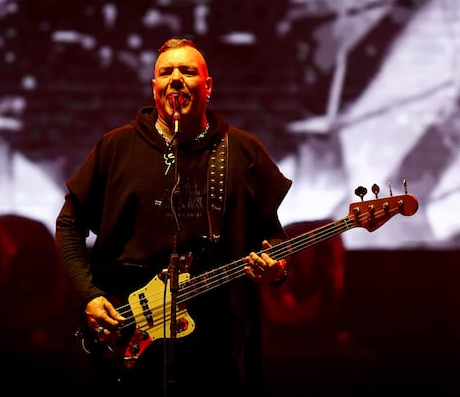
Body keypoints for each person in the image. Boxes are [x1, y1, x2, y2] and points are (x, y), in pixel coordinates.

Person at [55, 38, 292, 396]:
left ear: (208, 86)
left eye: (188, 71)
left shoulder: (242, 150)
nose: (176, 79)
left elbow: (272, 236)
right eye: (166, 72)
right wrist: (88, 295)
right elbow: (69, 225)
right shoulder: (115, 147)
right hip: (126, 338)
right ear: (154, 87)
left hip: (216, 349)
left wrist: (276, 267)